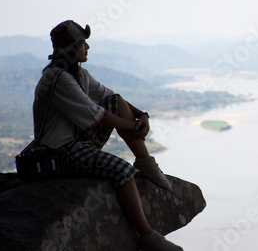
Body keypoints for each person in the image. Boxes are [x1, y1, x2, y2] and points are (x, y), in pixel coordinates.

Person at [33, 20, 183, 251]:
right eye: (83, 43)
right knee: (122, 171)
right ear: (72, 47)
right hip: (60, 151)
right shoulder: (58, 78)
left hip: (77, 142)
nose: (87, 48)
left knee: (116, 101)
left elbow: (110, 97)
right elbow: (97, 116)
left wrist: (141, 114)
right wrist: (134, 126)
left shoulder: (78, 74)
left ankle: (146, 162)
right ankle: (147, 236)